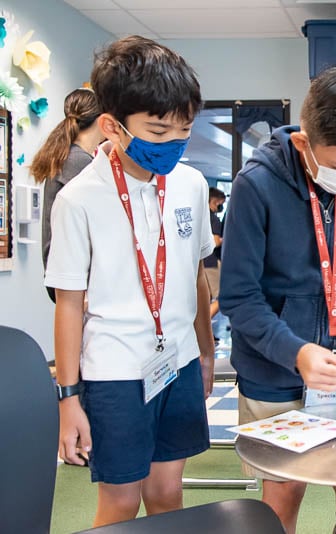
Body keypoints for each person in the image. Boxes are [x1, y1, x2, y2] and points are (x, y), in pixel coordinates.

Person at [45, 36, 215, 527]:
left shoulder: (191, 184)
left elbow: (196, 277)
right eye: (158, 130)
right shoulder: (78, 199)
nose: (172, 143)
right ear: (112, 126)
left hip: (178, 362)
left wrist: (204, 353)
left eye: (183, 129)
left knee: (166, 491)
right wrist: (68, 397)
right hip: (114, 372)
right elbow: (69, 304)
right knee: (121, 502)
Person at [218, 65, 336, 534]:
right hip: (272, 371)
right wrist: (294, 352)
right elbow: (239, 296)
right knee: (283, 494)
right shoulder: (256, 185)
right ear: (302, 144)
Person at [30, 87, 104, 303]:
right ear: (101, 120)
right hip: (74, 276)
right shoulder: (79, 162)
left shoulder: (70, 156)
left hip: (64, 272)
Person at [205, 186, 225, 318]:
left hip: (201, 261)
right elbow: (215, 241)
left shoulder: (200, 215)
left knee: (206, 296)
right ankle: (203, 329)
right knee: (222, 297)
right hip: (211, 261)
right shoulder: (213, 219)